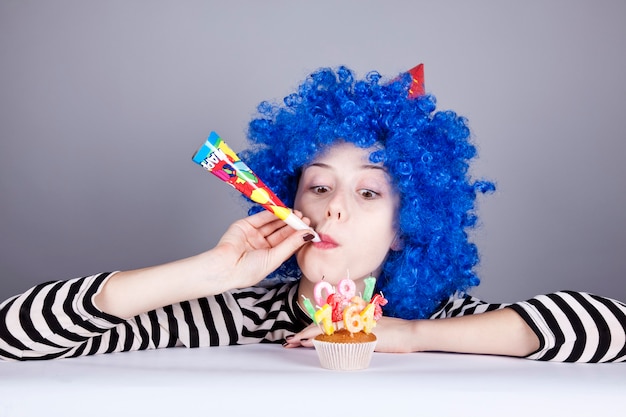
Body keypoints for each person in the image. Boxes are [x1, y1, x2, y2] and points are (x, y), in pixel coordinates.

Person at [1, 65, 624, 362]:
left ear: (411, 224)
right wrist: (211, 274)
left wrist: (404, 335)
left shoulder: (443, 321)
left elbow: (611, 328)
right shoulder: (237, 317)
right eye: (318, 188)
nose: (333, 211)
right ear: (290, 200)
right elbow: (13, 336)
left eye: (369, 193)